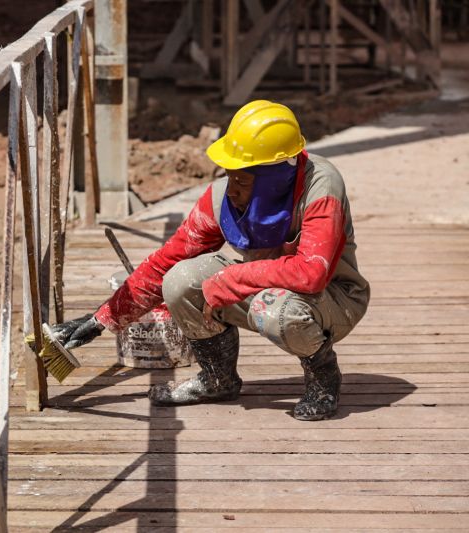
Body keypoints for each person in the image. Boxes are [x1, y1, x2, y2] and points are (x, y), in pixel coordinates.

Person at [52, 100, 370, 421]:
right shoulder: (224, 196)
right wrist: (102, 319)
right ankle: (218, 379)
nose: (231, 190)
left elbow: (311, 272)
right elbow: (166, 260)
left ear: (274, 179)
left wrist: (230, 280)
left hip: (332, 300)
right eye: (230, 177)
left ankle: (323, 380)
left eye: (242, 181)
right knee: (178, 280)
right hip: (269, 289)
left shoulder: (321, 186)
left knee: (277, 310)